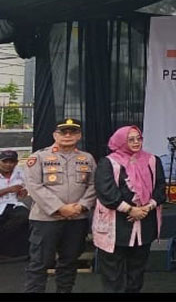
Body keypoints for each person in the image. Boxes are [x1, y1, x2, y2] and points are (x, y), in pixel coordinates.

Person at [23, 118, 97, 293]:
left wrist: (82, 206)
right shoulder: (39, 157)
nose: (68, 135)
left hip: (76, 219)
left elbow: (94, 185)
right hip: (45, 219)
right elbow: (33, 186)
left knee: (69, 262)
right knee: (39, 263)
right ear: (55, 135)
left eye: (73, 132)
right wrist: (60, 208)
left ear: (79, 135)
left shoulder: (87, 158)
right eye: (63, 132)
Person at [93, 125, 166, 292]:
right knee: (113, 274)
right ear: (120, 141)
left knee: (137, 272)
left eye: (138, 138)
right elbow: (106, 192)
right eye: (130, 139)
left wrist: (146, 208)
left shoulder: (152, 160)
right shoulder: (109, 162)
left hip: (145, 223)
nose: (136, 142)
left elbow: (161, 189)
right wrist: (131, 210)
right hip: (117, 225)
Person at [0, 149, 29, 259]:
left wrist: (23, 192)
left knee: (25, 216)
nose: (8, 165)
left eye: (11, 162)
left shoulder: (20, 172)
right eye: (5, 161)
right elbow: (11, 189)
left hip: (13, 204)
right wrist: (8, 190)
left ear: (16, 162)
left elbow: (26, 189)